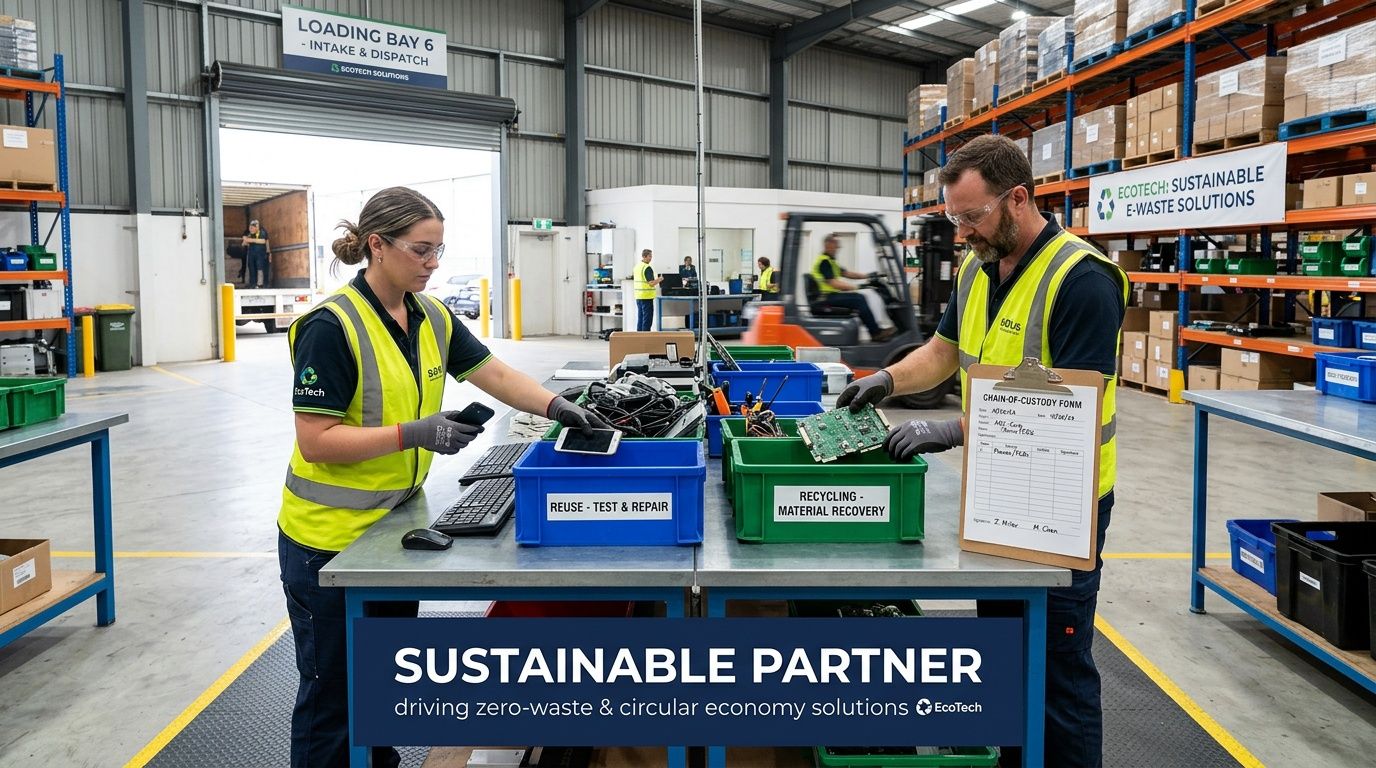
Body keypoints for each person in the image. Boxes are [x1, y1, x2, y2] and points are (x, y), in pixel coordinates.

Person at [279, 187, 610, 768]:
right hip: (326, 544)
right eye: (421, 250)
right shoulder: (330, 327)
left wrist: (557, 407)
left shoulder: (429, 314)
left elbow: (493, 372)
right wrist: (417, 433)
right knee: (333, 696)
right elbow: (317, 441)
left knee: (378, 683)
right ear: (376, 246)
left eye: (439, 250)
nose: (433, 263)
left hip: (388, 531)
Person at [837, 135, 1126, 768]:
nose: (962, 231)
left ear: (1018, 199)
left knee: (1056, 665)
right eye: (954, 218)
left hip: (1063, 503)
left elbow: (1065, 411)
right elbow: (943, 354)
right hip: (998, 495)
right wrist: (886, 379)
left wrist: (956, 430)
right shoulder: (975, 266)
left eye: (972, 216)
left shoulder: (1082, 281)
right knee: (1004, 650)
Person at [810, 234, 896, 341]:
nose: (838, 248)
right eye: (836, 245)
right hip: (825, 297)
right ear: (828, 245)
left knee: (859, 297)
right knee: (859, 299)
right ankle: (875, 333)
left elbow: (847, 273)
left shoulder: (830, 261)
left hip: (829, 296)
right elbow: (833, 283)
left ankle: (876, 330)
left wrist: (869, 275)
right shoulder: (824, 261)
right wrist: (857, 286)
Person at [633, 248, 662, 332]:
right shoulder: (647, 268)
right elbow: (651, 283)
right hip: (646, 297)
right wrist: (660, 279)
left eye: (651, 256)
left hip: (638, 296)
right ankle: (646, 337)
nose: (651, 258)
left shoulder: (637, 266)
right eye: (649, 256)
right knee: (647, 319)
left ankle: (639, 337)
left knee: (641, 317)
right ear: (644, 256)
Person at [242, 219, 270, 289]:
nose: (251, 229)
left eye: (253, 227)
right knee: (251, 267)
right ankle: (253, 284)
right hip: (252, 253)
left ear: (257, 227)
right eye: (250, 227)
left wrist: (250, 240)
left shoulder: (262, 231)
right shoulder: (248, 233)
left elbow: (263, 241)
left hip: (260, 253)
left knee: (260, 267)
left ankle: (260, 284)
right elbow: (244, 242)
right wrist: (248, 240)